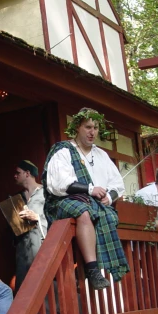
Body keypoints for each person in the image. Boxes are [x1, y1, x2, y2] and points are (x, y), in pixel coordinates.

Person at [42, 108, 128, 289]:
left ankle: (106, 266)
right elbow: (59, 184)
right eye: (88, 127)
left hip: (95, 203)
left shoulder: (101, 154)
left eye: (96, 128)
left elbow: (117, 184)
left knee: (107, 214)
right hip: (62, 202)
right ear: (77, 128)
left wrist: (110, 198)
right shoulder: (63, 150)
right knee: (83, 212)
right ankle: (92, 269)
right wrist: (90, 189)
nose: (92, 132)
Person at [12, 160, 48, 290]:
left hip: (42, 244)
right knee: (23, 286)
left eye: (18, 173)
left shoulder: (46, 193)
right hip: (23, 248)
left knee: (42, 284)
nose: (15, 176)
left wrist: (37, 217)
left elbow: (54, 218)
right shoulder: (18, 198)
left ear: (27, 173)